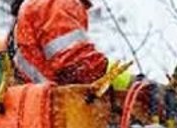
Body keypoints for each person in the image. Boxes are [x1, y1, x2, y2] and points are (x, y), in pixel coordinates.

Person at [8, 0, 136, 88]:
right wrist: (131, 84)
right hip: (51, 114)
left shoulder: (33, 7)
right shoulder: (57, 3)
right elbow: (79, 66)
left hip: (34, 111)